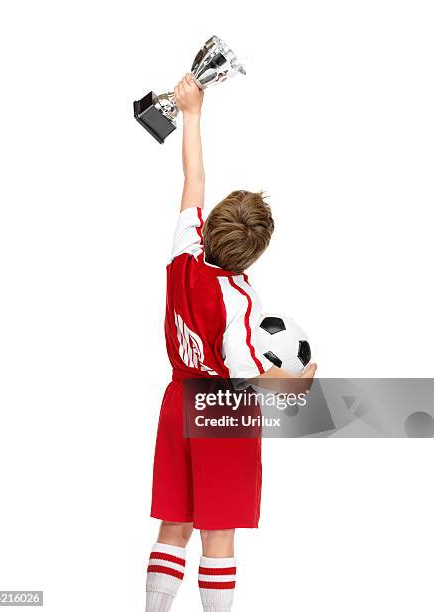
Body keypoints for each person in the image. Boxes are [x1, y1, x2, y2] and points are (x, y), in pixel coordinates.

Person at [145, 74, 317, 612]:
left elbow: (192, 177)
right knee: (218, 535)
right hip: (220, 412)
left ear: (210, 224)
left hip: (177, 403)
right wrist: (300, 384)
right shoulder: (239, 298)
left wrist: (192, 115)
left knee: (174, 524)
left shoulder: (183, 255)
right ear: (255, 254)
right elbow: (247, 374)